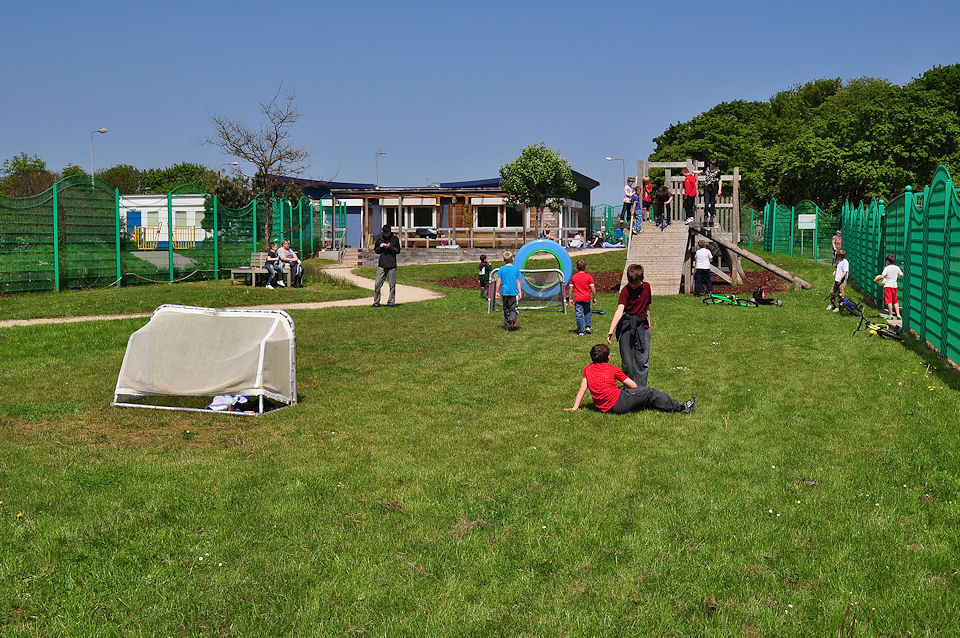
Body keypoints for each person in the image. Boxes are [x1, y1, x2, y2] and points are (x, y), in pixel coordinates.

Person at [564, 344, 695, 414]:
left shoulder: (587, 369)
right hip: (617, 404)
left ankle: (647, 404)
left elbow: (582, 389)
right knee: (649, 392)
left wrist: (575, 407)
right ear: (608, 357)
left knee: (625, 391)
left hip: (601, 406)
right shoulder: (613, 369)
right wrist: (638, 393)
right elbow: (632, 385)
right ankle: (681, 408)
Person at [607, 263, 652, 386]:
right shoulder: (625, 291)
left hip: (642, 327)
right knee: (627, 363)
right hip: (626, 327)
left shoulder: (647, 287)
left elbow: (647, 306)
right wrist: (611, 330)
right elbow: (620, 310)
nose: (632, 285)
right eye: (631, 283)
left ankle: (641, 391)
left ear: (641, 280)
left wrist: (649, 323)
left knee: (642, 361)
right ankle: (629, 391)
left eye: (635, 283)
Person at [567, 258, 597, 336]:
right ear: (586, 267)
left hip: (577, 299)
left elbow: (570, 288)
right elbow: (593, 288)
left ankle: (580, 331)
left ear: (577, 267)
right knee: (587, 312)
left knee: (579, 314)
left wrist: (570, 298)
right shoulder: (589, 277)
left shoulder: (573, 277)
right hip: (587, 298)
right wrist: (594, 297)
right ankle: (588, 326)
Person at [373, 224, 400, 307]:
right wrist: (381, 247)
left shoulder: (395, 239)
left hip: (391, 265)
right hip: (382, 265)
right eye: (384, 233)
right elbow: (376, 250)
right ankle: (376, 302)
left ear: (390, 232)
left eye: (387, 233)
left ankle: (391, 302)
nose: (385, 235)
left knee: (392, 285)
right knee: (377, 284)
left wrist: (389, 247)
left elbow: (397, 250)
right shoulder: (380, 239)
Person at [496, 250, 523, 330]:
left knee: (506, 309)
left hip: (504, 292)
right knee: (513, 308)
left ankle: (507, 325)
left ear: (504, 259)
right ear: (512, 259)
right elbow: (518, 281)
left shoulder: (501, 269)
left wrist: (497, 291)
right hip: (513, 292)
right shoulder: (516, 269)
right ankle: (512, 319)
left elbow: (499, 281)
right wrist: (519, 292)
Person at [874, 254, 904, 319]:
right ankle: (898, 314)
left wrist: (876, 280)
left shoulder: (886, 268)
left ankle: (890, 315)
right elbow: (902, 275)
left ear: (887, 261)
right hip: (894, 286)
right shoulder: (897, 268)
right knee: (895, 301)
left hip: (887, 286)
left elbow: (882, 276)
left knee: (889, 301)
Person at [702, 158, 721, 227]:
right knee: (706, 203)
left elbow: (719, 180)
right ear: (709, 163)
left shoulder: (717, 171)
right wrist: (693, 172)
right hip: (707, 187)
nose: (712, 166)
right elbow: (701, 172)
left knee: (712, 203)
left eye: (714, 165)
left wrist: (719, 189)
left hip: (714, 188)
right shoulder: (706, 169)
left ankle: (711, 218)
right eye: (711, 164)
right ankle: (706, 216)